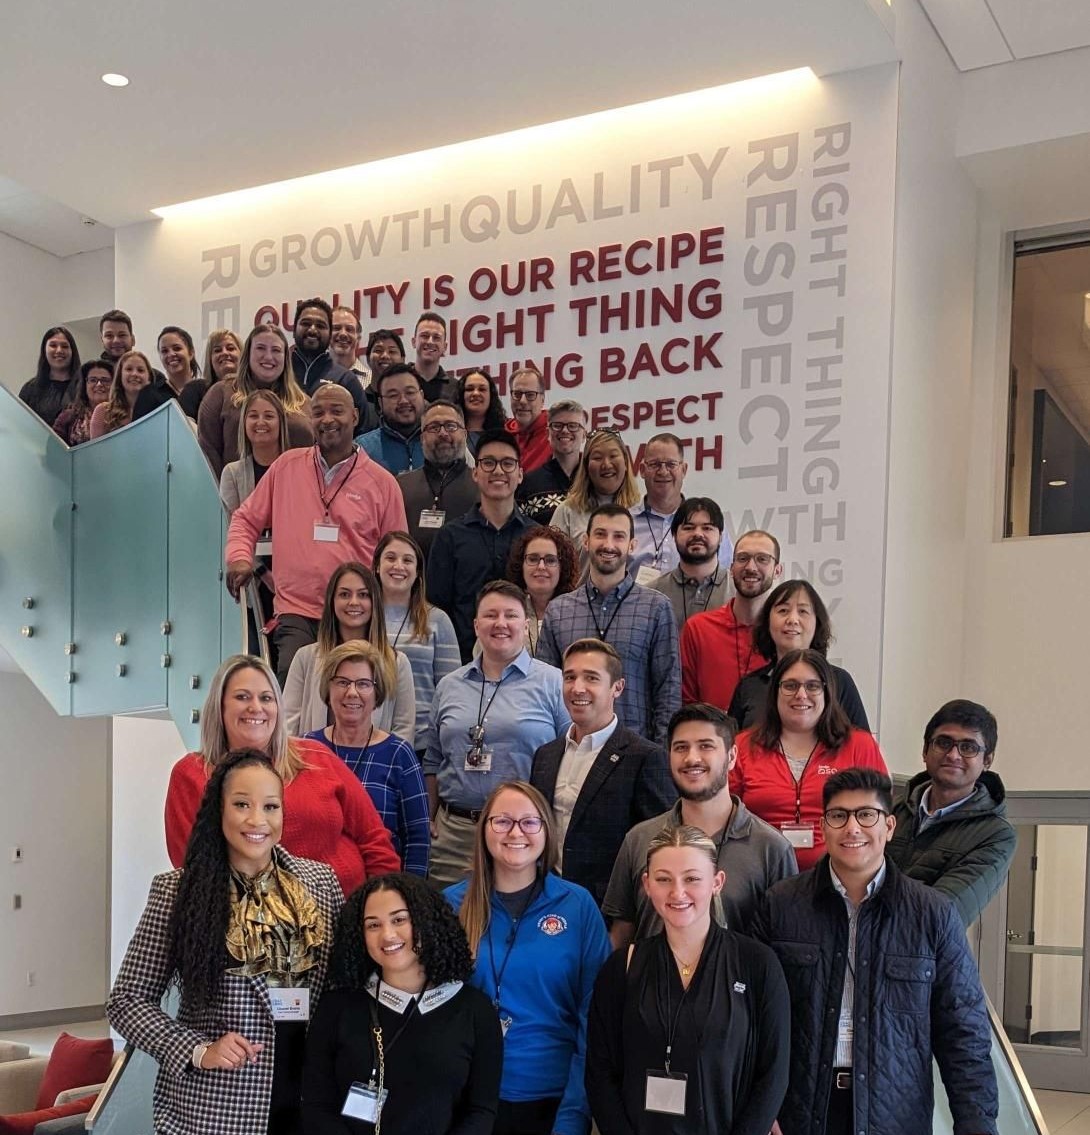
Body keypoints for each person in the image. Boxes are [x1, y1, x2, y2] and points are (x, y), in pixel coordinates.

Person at [752, 768, 999, 1135]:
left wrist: (977, 1122)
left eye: (866, 815)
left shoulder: (931, 913)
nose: (852, 828)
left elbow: (963, 1027)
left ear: (889, 827)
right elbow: (751, 1018)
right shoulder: (781, 905)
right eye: (839, 815)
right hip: (797, 1112)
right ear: (824, 826)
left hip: (895, 1114)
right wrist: (758, 1107)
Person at [110, 750, 343, 1135]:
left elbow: (342, 986)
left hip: (309, 1098)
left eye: (271, 806)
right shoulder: (178, 891)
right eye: (241, 805)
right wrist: (198, 1050)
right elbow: (127, 1001)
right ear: (219, 811)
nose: (257, 820)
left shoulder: (320, 883)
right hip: (218, 1106)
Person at [587, 824, 790, 1135]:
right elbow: (600, 1073)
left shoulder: (757, 965)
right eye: (663, 879)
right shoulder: (621, 968)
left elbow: (773, 1074)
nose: (677, 892)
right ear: (646, 884)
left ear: (717, 882)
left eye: (692, 878)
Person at [445, 781, 611, 1135]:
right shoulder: (451, 906)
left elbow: (595, 1016)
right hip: (468, 1098)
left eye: (529, 822)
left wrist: (573, 1114)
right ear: (484, 829)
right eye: (502, 821)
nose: (515, 832)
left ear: (546, 831)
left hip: (552, 1097)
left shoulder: (577, 906)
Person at [164, 655, 401, 895]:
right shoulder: (192, 774)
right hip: (250, 923)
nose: (256, 707)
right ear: (220, 706)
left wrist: (377, 912)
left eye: (266, 698)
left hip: (347, 913)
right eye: (242, 697)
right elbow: (194, 869)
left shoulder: (316, 756)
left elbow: (375, 841)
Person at [225, 383, 408, 684]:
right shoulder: (285, 467)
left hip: (355, 614)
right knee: (291, 696)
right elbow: (245, 520)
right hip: (296, 611)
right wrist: (239, 558)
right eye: (318, 412)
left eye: (336, 411)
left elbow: (397, 556)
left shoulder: (383, 483)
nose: (327, 419)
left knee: (350, 696)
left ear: (356, 416)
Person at [301, 873, 502, 1134]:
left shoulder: (474, 1010)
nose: (387, 935)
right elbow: (317, 1105)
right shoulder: (336, 1008)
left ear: (426, 920)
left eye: (399, 919)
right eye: (373, 925)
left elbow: (481, 1110)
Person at [604, 704, 797, 945]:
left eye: (706, 746)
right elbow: (621, 935)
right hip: (650, 981)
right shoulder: (639, 840)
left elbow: (784, 944)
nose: (692, 758)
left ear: (732, 756)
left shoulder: (772, 849)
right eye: (681, 747)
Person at [423, 582, 569, 889]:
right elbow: (434, 761)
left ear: (526, 625)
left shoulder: (554, 683)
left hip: (521, 834)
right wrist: (428, 817)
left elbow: (569, 758)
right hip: (455, 834)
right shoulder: (449, 686)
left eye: (510, 615)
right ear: (476, 625)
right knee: (449, 926)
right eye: (490, 615)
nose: (500, 623)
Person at [531, 638, 675, 905]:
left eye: (591, 678)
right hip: (544, 899)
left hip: (609, 909)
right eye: (570, 677)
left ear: (617, 687)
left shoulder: (646, 757)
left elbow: (659, 848)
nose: (578, 688)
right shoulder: (545, 756)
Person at [731, 649, 889, 871]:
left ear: (827, 692)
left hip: (838, 877)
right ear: (774, 692)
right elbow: (726, 817)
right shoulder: (742, 746)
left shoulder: (859, 746)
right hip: (759, 874)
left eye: (813, 686)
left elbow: (877, 820)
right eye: (790, 685)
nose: (801, 694)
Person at [538, 505, 680, 746]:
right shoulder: (559, 610)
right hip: (572, 748)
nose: (609, 544)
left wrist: (660, 755)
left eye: (619, 536)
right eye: (601, 534)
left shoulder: (656, 608)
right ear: (586, 541)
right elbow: (545, 691)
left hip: (635, 752)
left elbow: (668, 690)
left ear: (632, 545)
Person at [304, 641, 429, 877]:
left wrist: (410, 898)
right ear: (327, 689)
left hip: (379, 894)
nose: (352, 692)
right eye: (342, 682)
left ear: (377, 692)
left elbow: (417, 840)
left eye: (363, 684)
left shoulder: (398, 754)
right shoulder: (306, 749)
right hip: (312, 895)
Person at [889, 699, 1017, 926]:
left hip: (926, 959)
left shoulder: (996, 835)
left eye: (968, 747)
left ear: (987, 760)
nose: (953, 755)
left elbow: (942, 915)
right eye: (943, 742)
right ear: (925, 750)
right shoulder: (889, 811)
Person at [426, 428, 539, 661]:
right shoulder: (450, 537)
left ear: (520, 474)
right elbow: (437, 608)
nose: (498, 470)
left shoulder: (537, 537)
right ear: (475, 473)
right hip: (463, 663)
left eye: (508, 463)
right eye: (488, 463)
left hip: (527, 662)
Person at [283, 561, 415, 743]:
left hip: (375, 769)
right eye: (344, 594)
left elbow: (404, 730)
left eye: (363, 595)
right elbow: (287, 726)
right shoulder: (305, 658)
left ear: (374, 602)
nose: (354, 602)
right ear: (332, 601)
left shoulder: (397, 662)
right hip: (314, 766)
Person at [728, 578, 870, 731]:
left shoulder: (839, 682)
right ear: (767, 621)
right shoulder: (749, 686)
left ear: (817, 622)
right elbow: (730, 750)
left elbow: (864, 750)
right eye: (783, 611)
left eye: (803, 611)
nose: (792, 620)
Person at [374, 530, 462, 755]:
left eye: (407, 560)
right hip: (368, 738)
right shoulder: (362, 617)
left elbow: (451, 690)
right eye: (391, 558)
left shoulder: (438, 620)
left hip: (422, 742)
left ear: (417, 572)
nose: (399, 566)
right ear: (376, 565)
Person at [680, 528, 783, 709]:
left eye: (762, 559)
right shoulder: (698, 629)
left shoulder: (786, 633)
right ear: (731, 568)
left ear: (777, 570)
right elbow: (685, 701)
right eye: (743, 558)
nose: (751, 567)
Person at [198, 323, 314, 479]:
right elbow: (207, 453)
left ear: (285, 358)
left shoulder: (304, 403)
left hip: (294, 496)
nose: (268, 356)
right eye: (260, 348)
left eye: (276, 350)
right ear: (248, 353)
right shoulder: (221, 394)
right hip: (238, 498)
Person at [397, 399, 479, 555]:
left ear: (465, 434)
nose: (443, 433)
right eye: (434, 427)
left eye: (451, 426)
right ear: (422, 438)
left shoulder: (483, 485)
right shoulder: (400, 487)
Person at [289, 298, 374, 433]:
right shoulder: (279, 372)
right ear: (294, 330)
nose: (312, 329)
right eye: (306, 323)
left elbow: (362, 435)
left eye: (321, 326)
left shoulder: (347, 379)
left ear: (328, 334)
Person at [550, 429, 642, 553]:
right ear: (586, 467)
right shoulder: (567, 512)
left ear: (626, 462)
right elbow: (551, 560)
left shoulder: (642, 508)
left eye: (613, 456)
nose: (606, 464)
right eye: (597, 458)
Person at [648, 497, 732, 628]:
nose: (698, 534)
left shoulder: (737, 590)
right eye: (688, 528)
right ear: (674, 535)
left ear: (721, 537)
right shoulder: (652, 593)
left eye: (707, 528)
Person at [504, 526, 580, 655]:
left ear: (563, 567)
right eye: (533, 559)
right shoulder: (505, 610)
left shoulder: (578, 612)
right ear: (521, 564)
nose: (541, 567)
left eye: (550, 560)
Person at [219, 389, 290, 514]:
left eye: (268, 416)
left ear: (281, 423)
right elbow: (230, 526)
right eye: (253, 416)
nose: (260, 422)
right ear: (244, 423)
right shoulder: (232, 474)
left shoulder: (297, 470)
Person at [517, 399, 588, 524]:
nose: (565, 431)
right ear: (547, 433)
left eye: (573, 426)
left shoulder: (594, 479)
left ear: (584, 435)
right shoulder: (528, 484)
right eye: (557, 425)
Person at [359, 363, 426, 474]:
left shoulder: (441, 440)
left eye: (410, 392)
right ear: (380, 403)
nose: (404, 401)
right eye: (393, 395)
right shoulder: (363, 449)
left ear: (422, 396)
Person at [19, 325, 80, 427]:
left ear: (72, 351)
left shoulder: (84, 387)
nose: (59, 350)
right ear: (44, 350)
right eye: (53, 345)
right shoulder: (30, 389)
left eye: (65, 346)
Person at [90, 348, 152, 437]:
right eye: (129, 369)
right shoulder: (103, 412)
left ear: (149, 378)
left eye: (140, 370)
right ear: (120, 376)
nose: (134, 374)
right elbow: (96, 450)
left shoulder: (158, 411)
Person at [185, 328, 242, 419]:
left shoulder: (253, 390)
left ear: (242, 355)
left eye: (230, 348)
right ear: (210, 359)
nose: (224, 352)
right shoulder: (194, 390)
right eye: (217, 350)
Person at [53, 358, 112, 446]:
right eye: (93, 380)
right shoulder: (68, 416)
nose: (99, 384)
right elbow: (53, 448)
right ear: (85, 385)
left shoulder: (122, 415)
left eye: (105, 380)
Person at [99, 307, 167, 383]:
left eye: (122, 335)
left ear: (133, 340)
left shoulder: (155, 378)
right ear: (102, 341)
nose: (116, 340)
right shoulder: (90, 377)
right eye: (109, 335)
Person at [506, 365, 551, 474]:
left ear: (542, 400)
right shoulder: (502, 435)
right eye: (517, 394)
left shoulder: (555, 435)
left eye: (530, 395)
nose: (522, 401)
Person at [457, 367, 506, 455]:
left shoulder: (504, 433)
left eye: (482, 389)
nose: (475, 393)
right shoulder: (451, 433)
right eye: (469, 389)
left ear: (491, 396)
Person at [413, 311, 457, 402]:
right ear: (414, 342)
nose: (430, 341)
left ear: (445, 346)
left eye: (436, 337)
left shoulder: (456, 388)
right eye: (424, 336)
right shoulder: (400, 381)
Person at [329, 305, 369, 383]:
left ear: (358, 337)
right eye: (336, 328)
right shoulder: (314, 376)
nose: (343, 334)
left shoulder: (372, 381)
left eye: (349, 329)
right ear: (327, 334)